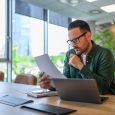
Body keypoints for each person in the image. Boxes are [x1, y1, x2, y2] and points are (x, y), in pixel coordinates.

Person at [39, 20, 115, 94]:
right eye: (71, 41)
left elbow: (103, 88)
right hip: (77, 98)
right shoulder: (70, 54)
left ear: (88, 36)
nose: (73, 45)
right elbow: (66, 82)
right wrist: (50, 85)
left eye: (76, 40)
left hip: (104, 102)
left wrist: (79, 65)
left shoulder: (105, 54)